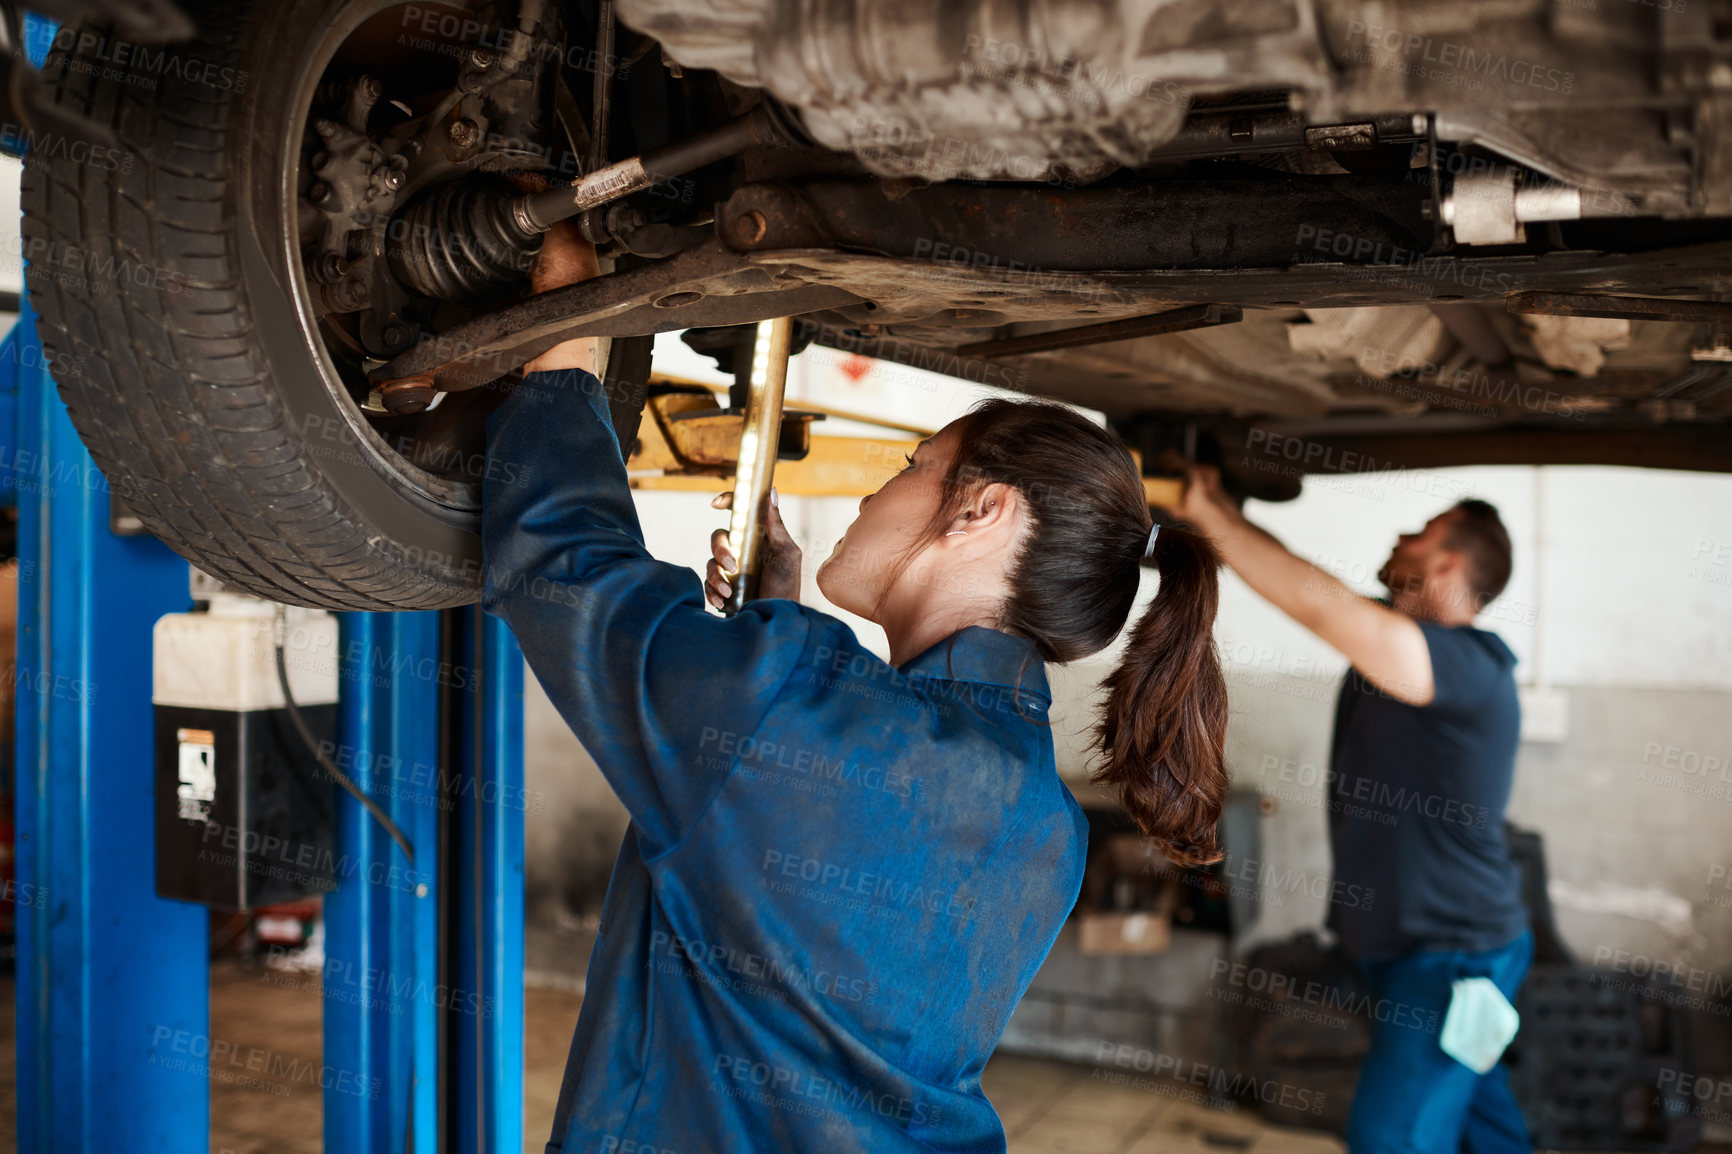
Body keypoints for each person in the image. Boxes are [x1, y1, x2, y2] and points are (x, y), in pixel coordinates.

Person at [480, 223, 1231, 1152]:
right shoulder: (1047, 825)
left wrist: (567, 330)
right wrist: (773, 641)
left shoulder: (798, 705)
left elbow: (561, 565)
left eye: (910, 470)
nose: (879, 494)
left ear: (982, 510)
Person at [1170, 462, 1532, 1154]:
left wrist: (1212, 520)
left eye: (1420, 534)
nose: (1401, 536)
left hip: (1451, 956)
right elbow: (1312, 587)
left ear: (1449, 561)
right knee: (1478, 1119)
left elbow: (1323, 606)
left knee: (1390, 1137)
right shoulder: (1401, 643)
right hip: (1413, 947)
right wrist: (1219, 507)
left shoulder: (1469, 664)